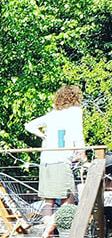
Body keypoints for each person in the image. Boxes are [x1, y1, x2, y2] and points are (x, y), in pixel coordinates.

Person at [25, 85, 85, 217]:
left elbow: (29, 125)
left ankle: (48, 230)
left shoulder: (51, 115)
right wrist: (83, 155)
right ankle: (53, 228)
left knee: (49, 202)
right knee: (68, 200)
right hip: (61, 161)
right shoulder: (75, 112)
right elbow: (78, 135)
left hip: (46, 161)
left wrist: (43, 136)